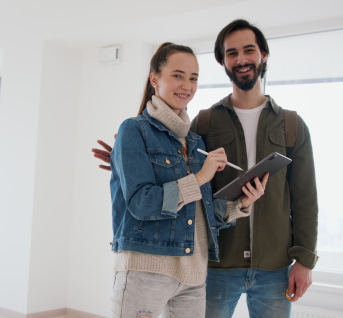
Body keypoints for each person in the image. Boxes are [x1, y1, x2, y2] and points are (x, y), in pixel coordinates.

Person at [92, 19, 318, 318]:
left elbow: (305, 198)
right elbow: (169, 183)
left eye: (248, 50)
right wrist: (127, 163)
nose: (241, 59)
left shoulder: (289, 125)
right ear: (223, 61)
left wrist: (303, 259)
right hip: (213, 265)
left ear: (264, 54)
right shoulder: (203, 124)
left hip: (261, 267)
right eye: (231, 53)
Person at [108, 42, 268, 318]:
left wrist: (241, 203)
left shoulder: (195, 142)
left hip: (194, 274)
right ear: (155, 79)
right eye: (178, 75)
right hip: (147, 271)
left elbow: (198, 211)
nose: (187, 85)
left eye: (193, 78)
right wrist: (201, 176)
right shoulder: (134, 130)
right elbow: (141, 203)